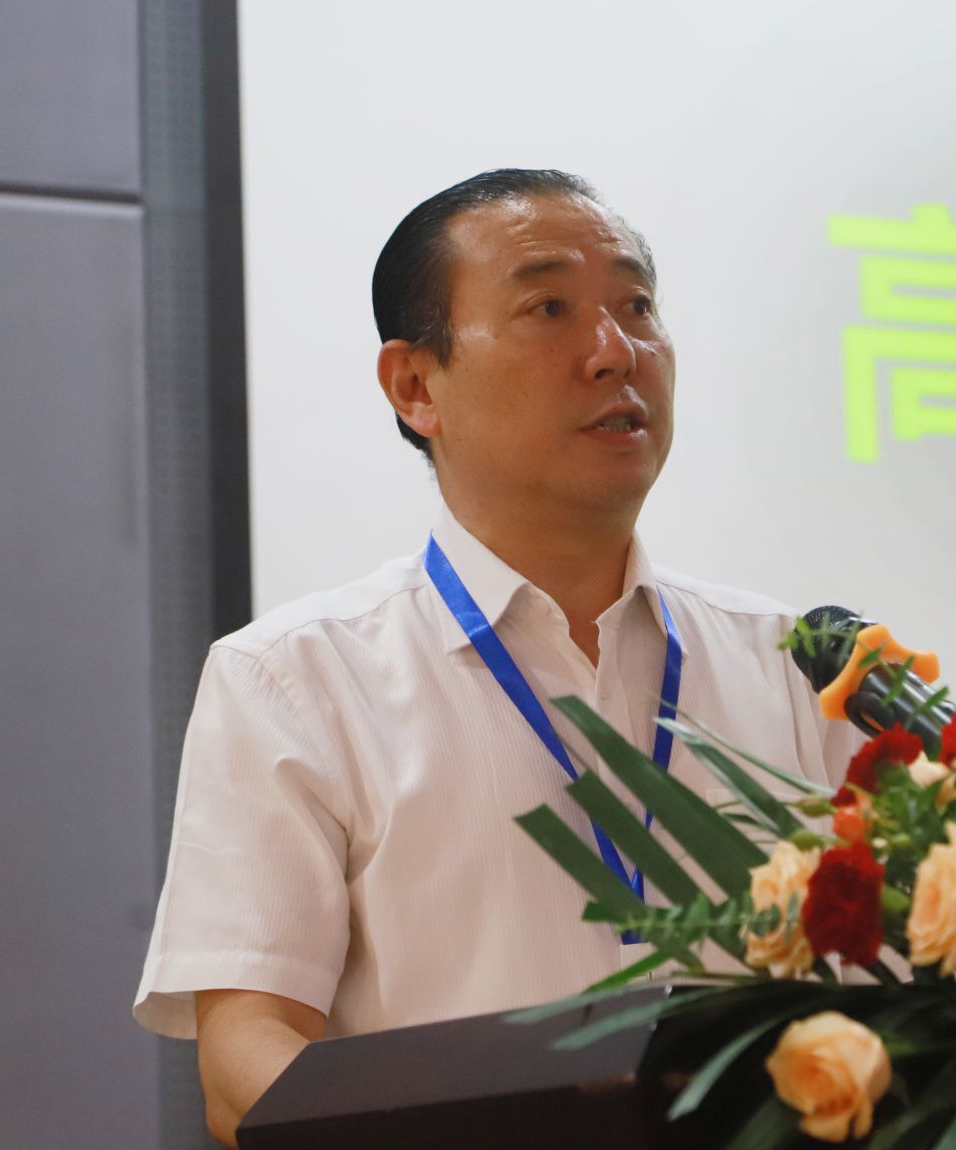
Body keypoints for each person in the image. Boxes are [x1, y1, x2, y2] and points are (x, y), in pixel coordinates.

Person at [132, 169, 861, 1146]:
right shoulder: (294, 678)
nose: (615, 351)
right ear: (415, 386)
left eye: (637, 306)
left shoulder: (794, 665)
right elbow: (243, 1059)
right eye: (549, 309)